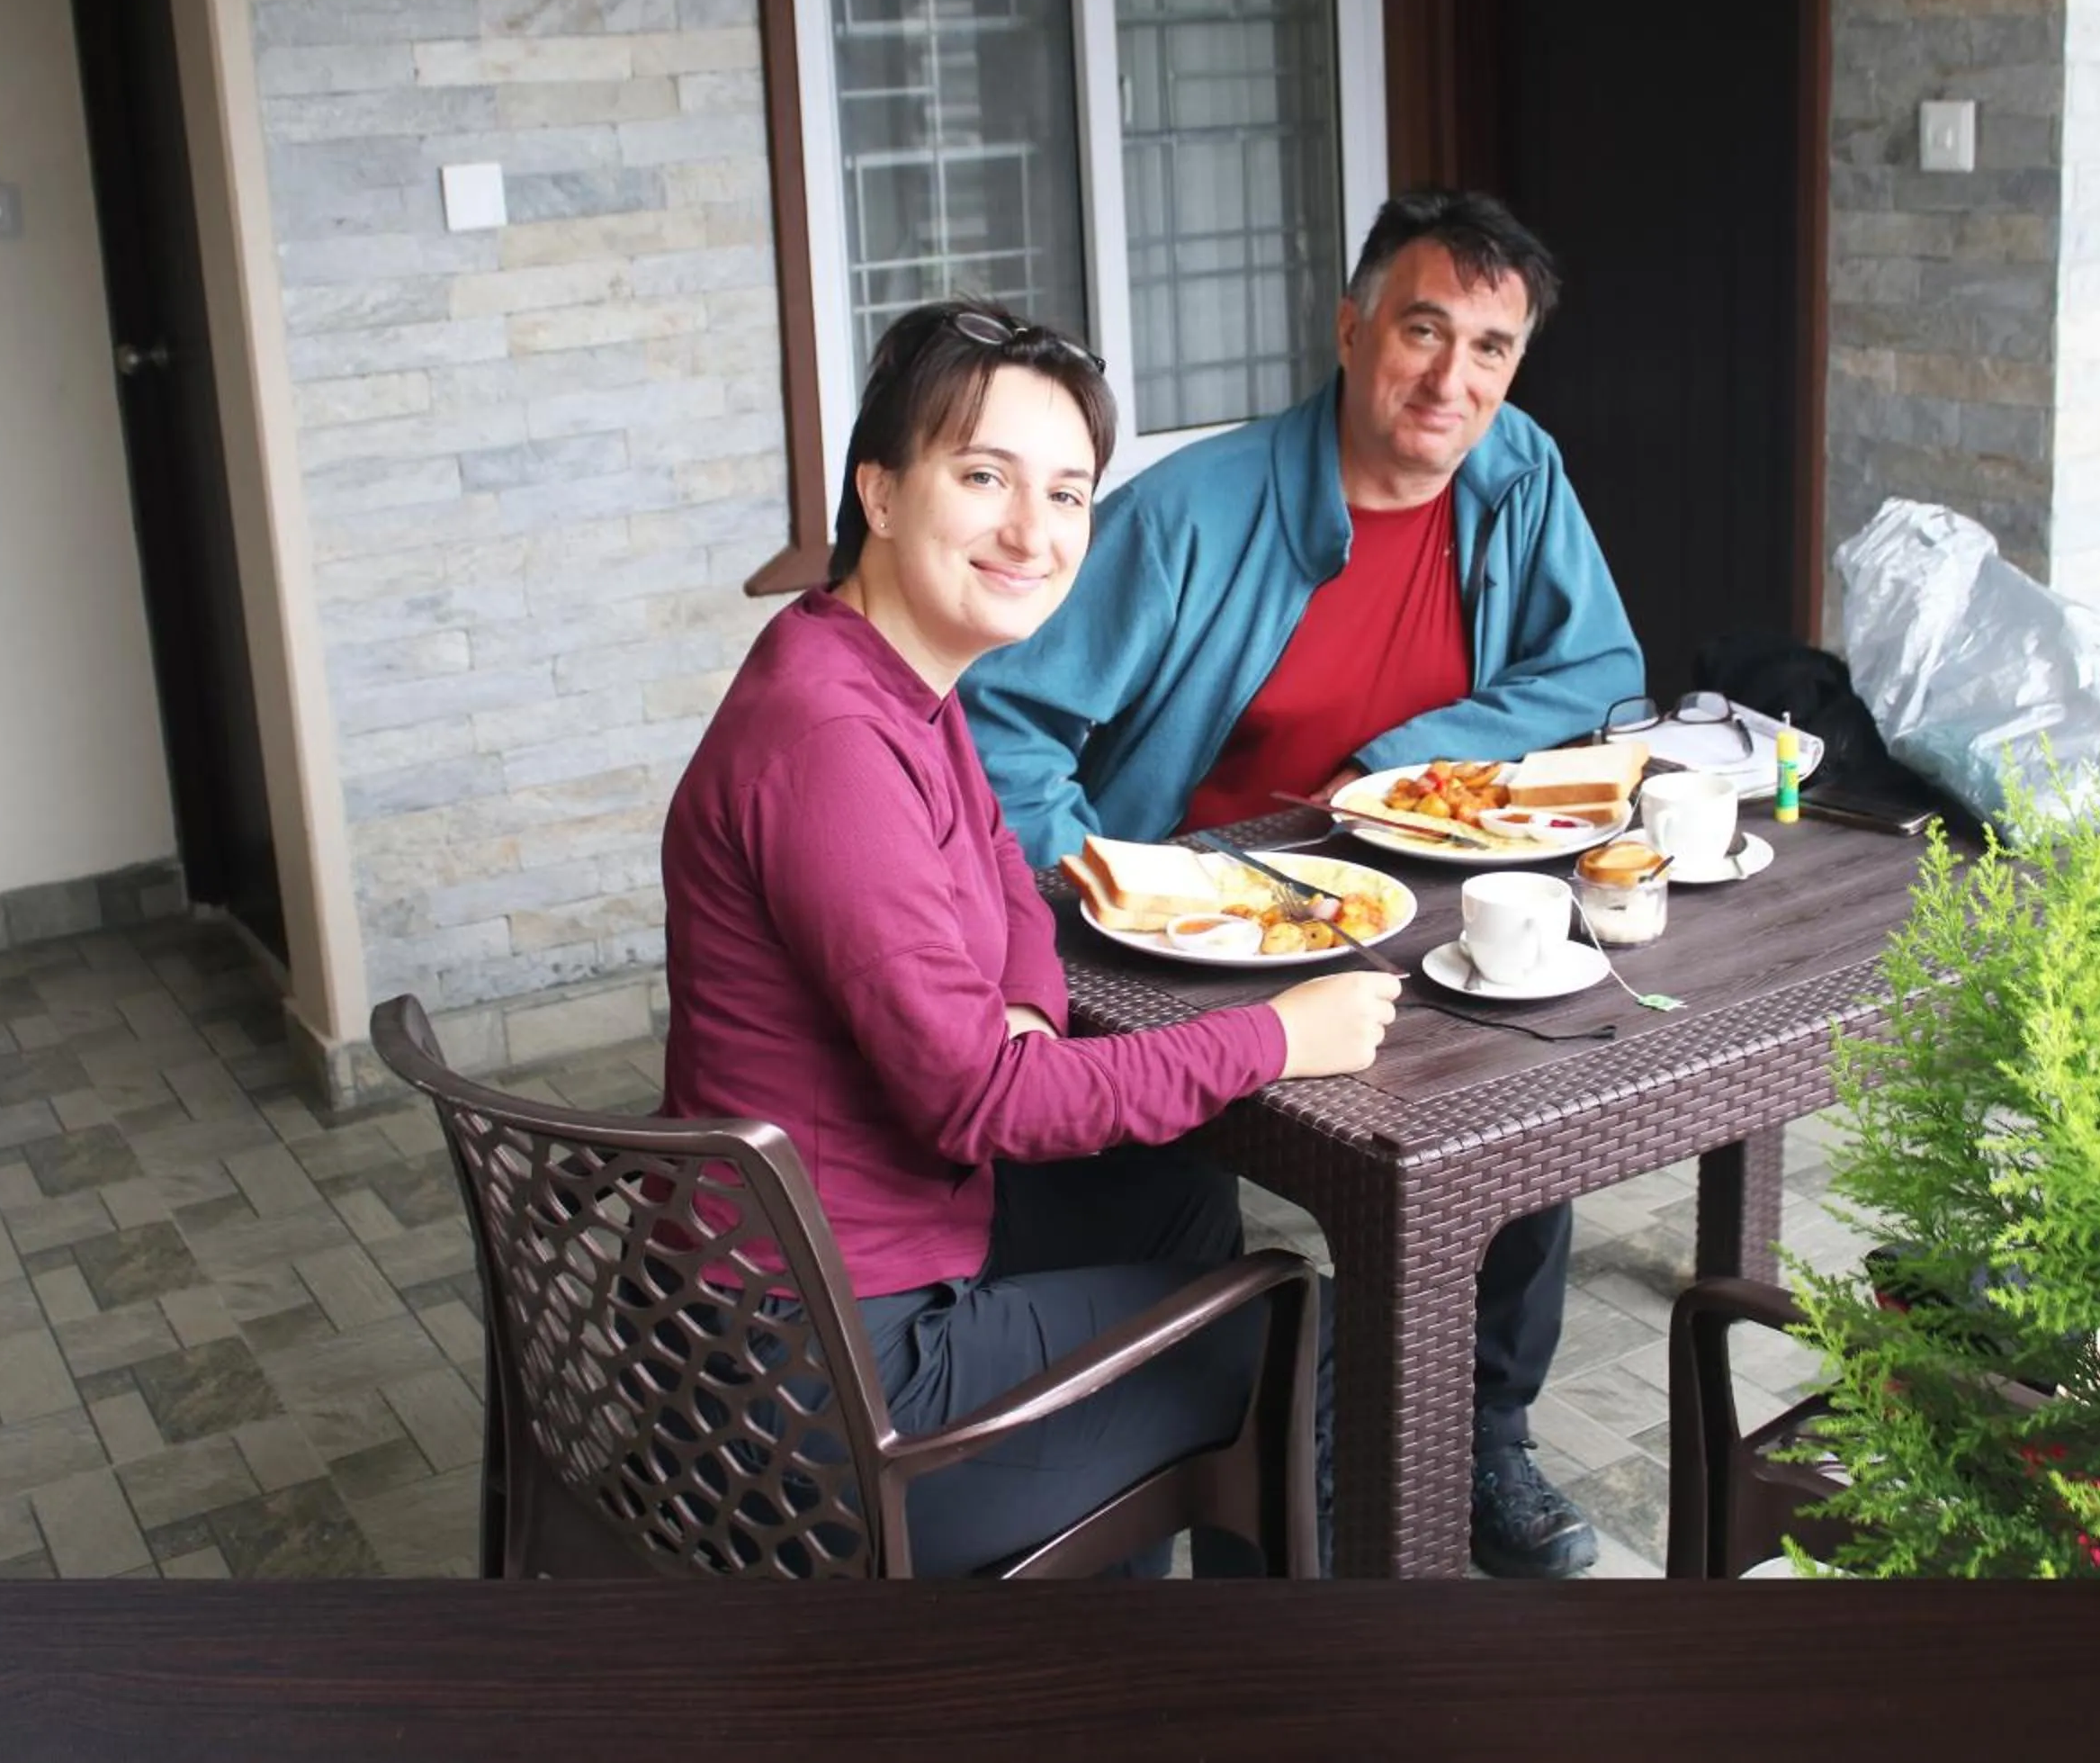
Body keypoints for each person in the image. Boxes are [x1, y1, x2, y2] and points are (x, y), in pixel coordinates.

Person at [656, 295, 1400, 1579]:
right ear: (879, 491)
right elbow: (976, 1099)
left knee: (1171, 1196)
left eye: (1067, 494)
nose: (1032, 530)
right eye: (985, 476)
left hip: (819, 1281)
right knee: (1304, 1328)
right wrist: (1276, 1034)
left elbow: (1008, 885)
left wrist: (1024, 1015)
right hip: (821, 1386)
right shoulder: (833, 739)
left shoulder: (883, 668)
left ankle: (1091, 1593)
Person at [959, 188, 1645, 1578]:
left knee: (1523, 1093)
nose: (1453, 382)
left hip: (1410, 903)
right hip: (1186, 926)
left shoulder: (1519, 475)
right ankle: (1187, 1464)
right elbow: (1002, 723)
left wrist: (1406, 756)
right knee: (1122, 1209)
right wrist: (1093, 899)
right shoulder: (1191, 512)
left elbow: (1596, 674)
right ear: (1350, 328)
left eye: (1493, 350)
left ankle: (1483, 1437)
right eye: (1421, 330)